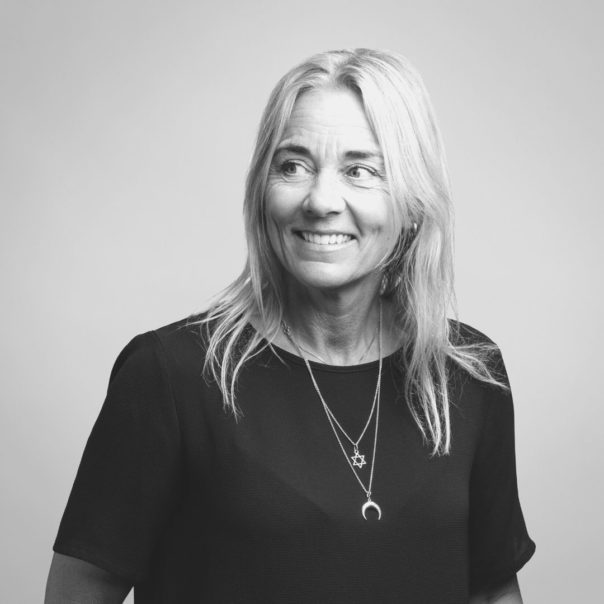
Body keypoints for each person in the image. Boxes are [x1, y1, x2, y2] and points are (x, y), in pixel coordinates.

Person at [45, 48, 536, 603]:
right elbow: (78, 594)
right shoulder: (169, 375)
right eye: (293, 166)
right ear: (262, 189)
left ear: (413, 202)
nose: (321, 200)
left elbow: (493, 590)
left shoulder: (467, 373)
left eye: (360, 170)